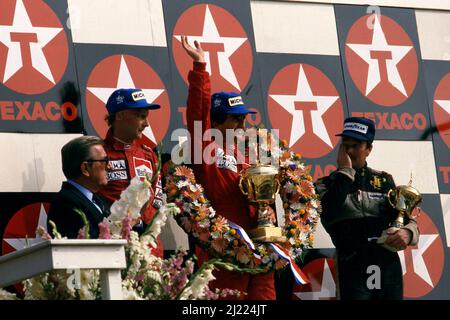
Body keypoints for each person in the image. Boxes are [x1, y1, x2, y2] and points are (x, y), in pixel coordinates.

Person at [181, 35, 276, 300]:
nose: (243, 125)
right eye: (236, 119)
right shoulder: (205, 147)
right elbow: (198, 111)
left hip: (260, 245)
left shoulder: (248, 153)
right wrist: (200, 67)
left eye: (244, 118)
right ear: (218, 121)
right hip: (224, 246)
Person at [315, 117, 419, 300]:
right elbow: (328, 213)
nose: (349, 151)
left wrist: (408, 234)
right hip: (352, 268)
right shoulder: (325, 185)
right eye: (345, 145)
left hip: (388, 268)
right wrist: (346, 173)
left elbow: (406, 219)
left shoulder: (385, 181)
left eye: (356, 146)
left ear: (369, 149)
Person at [98, 88, 164, 258]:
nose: (147, 123)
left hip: (149, 249)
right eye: (141, 116)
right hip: (112, 247)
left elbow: (156, 204)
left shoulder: (149, 155)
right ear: (119, 116)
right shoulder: (97, 154)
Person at [47, 136, 111, 239]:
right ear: (85, 168)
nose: (110, 166)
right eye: (105, 161)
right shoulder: (66, 203)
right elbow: (89, 243)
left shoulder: (98, 200)